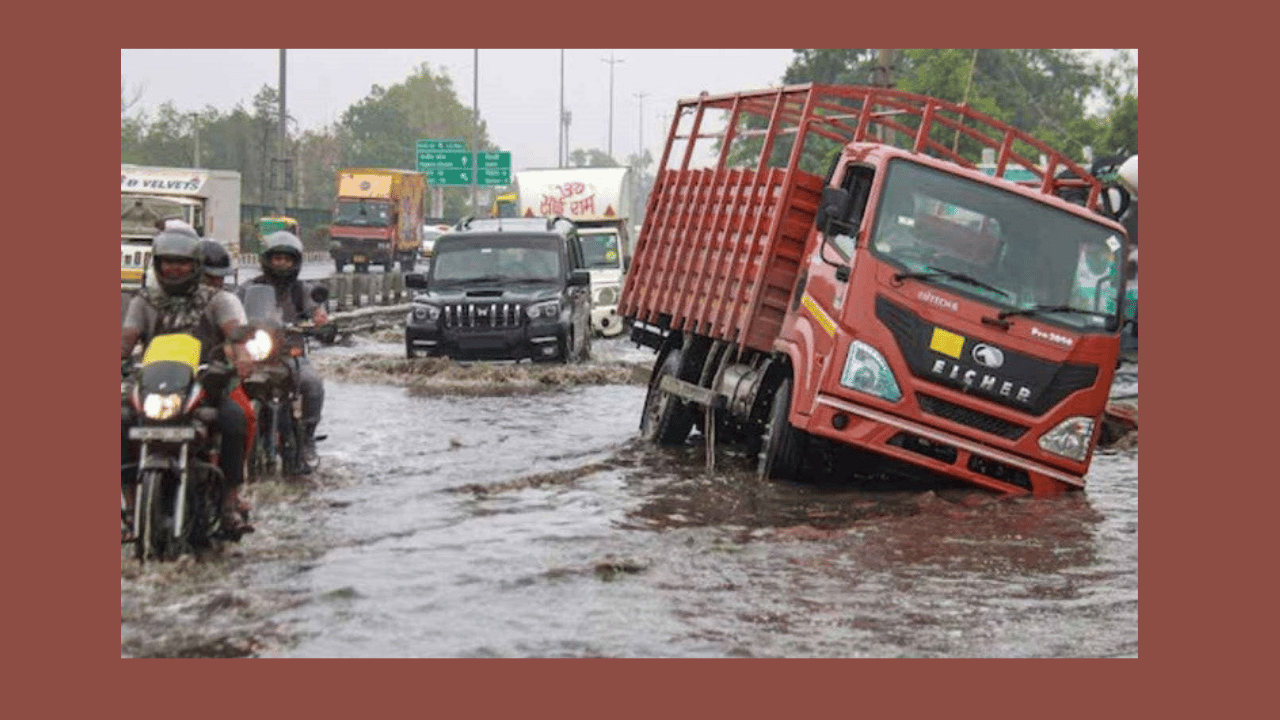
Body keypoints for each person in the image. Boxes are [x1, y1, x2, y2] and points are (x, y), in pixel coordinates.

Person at [121, 230, 255, 534]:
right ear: (157, 265)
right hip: (153, 387)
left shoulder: (218, 299)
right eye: (168, 262)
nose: (174, 269)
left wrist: (240, 355)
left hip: (205, 385)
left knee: (235, 419)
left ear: (195, 265)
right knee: (121, 419)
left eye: (181, 263)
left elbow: (234, 332)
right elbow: (126, 340)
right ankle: (129, 507)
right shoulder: (144, 301)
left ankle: (230, 504)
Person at [241, 231, 328, 467]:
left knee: (311, 383)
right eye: (276, 258)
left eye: (287, 259)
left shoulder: (302, 291)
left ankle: (308, 436)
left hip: (291, 354)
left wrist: (321, 321)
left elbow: (317, 312)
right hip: (256, 355)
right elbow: (234, 313)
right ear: (266, 260)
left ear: (295, 262)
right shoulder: (249, 288)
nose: (281, 263)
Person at [199, 239, 257, 469]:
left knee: (242, 417)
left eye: (218, 278)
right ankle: (131, 494)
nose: (213, 283)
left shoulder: (224, 301)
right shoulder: (152, 300)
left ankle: (233, 489)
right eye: (207, 277)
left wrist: (241, 358)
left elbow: (235, 334)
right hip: (165, 380)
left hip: (213, 378)